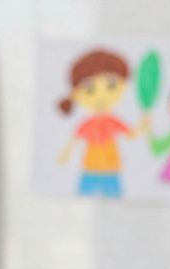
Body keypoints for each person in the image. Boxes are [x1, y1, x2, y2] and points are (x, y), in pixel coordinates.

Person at [56, 49, 146, 198]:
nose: (101, 97)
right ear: (76, 94)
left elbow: (131, 135)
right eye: (90, 90)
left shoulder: (113, 121)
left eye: (111, 86)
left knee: (114, 195)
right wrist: (66, 153)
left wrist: (143, 124)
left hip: (111, 168)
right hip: (90, 167)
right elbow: (76, 138)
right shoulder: (87, 123)